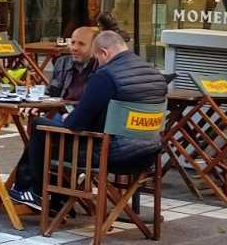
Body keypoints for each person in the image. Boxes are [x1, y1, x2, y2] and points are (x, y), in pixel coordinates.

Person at [9, 31, 167, 210]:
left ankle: (35, 192)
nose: (98, 63)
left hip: (111, 154)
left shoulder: (106, 75)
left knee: (40, 127)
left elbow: (76, 124)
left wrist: (69, 117)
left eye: (97, 57)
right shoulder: (155, 74)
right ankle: (48, 196)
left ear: (104, 53)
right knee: (53, 133)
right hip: (148, 153)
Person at [46, 26, 98, 102]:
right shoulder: (62, 62)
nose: (74, 48)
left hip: (84, 112)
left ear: (94, 47)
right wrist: (37, 105)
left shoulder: (100, 67)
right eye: (73, 43)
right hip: (59, 110)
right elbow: (50, 93)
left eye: (81, 44)